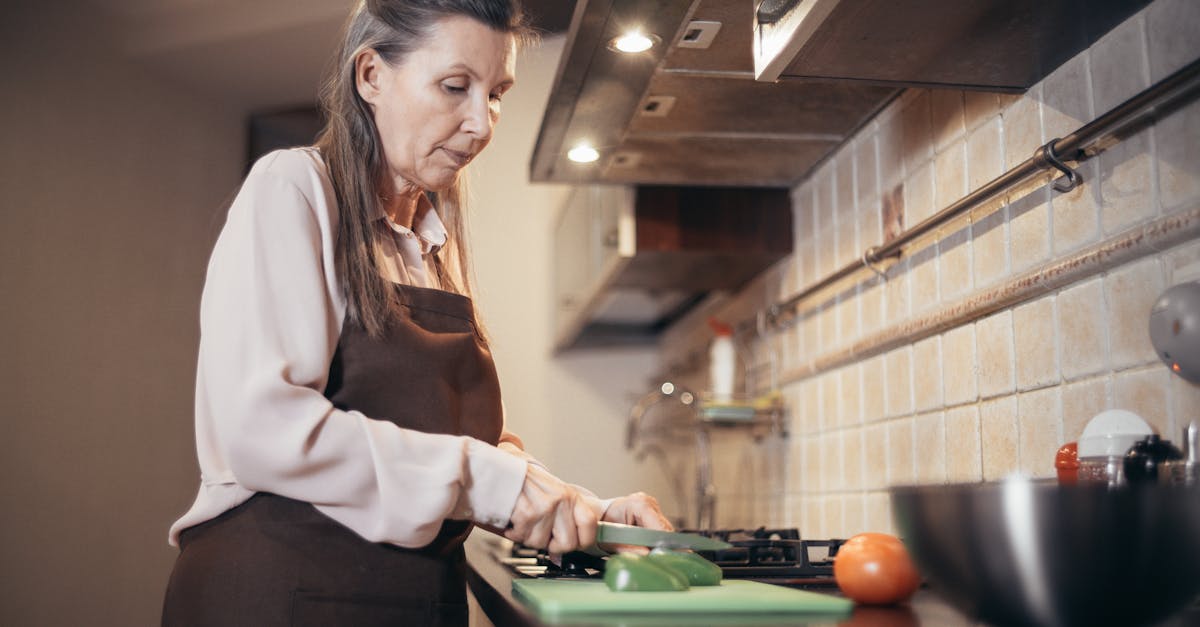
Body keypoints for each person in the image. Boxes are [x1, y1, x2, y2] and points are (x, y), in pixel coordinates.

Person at [161, 1, 672, 624]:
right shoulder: (293, 186)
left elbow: (469, 450)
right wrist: (492, 480)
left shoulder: (428, 246)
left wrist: (582, 509)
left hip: (406, 602)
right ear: (371, 76)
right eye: (455, 87)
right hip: (284, 595)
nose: (481, 125)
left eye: (497, 94)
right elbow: (264, 431)